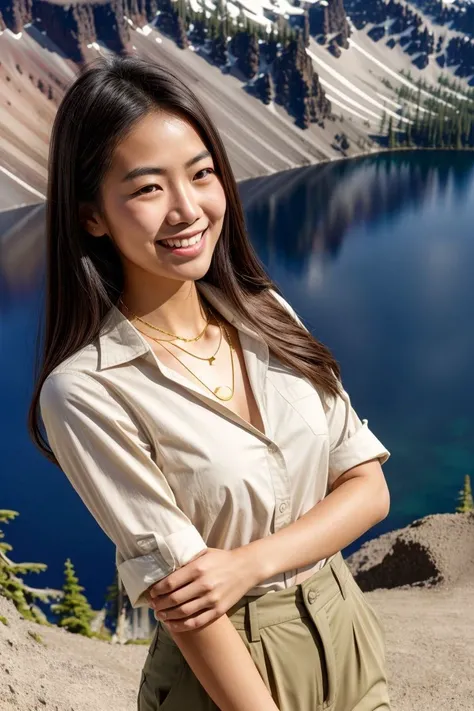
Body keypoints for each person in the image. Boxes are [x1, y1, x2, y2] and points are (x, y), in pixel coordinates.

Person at [29, 54, 392, 711]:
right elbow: (190, 603)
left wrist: (247, 562)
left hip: (344, 627)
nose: (187, 209)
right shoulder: (84, 390)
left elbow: (369, 488)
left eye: (201, 174)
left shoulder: (267, 312)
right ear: (91, 216)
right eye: (147, 189)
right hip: (225, 674)